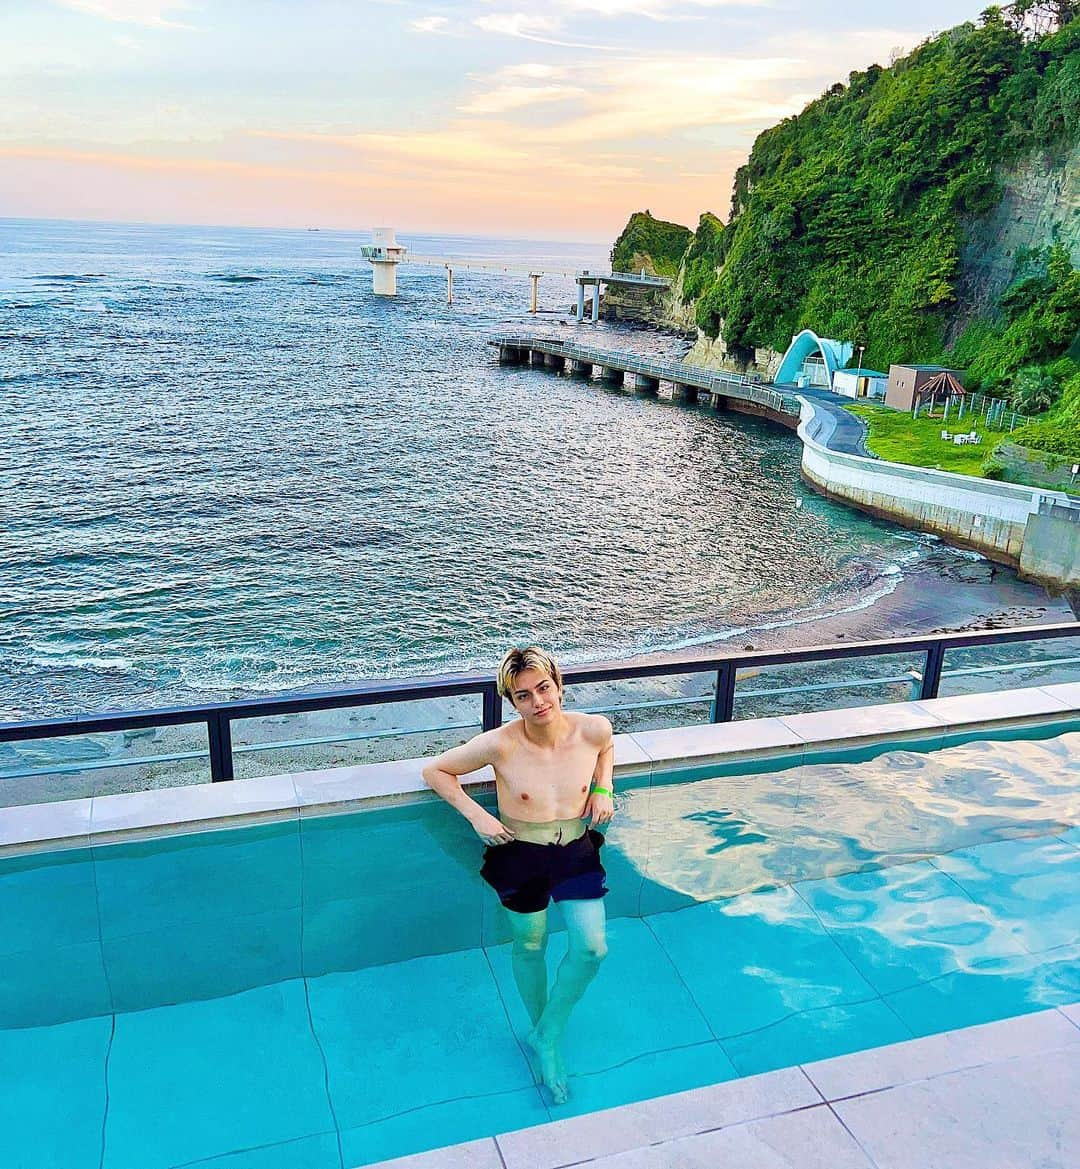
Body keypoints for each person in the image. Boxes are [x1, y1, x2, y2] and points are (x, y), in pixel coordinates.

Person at [421, 646, 615, 1104]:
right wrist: (476, 816)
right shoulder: (501, 743)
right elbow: (437, 770)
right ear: (513, 702)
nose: (538, 702)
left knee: (591, 949)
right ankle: (543, 1039)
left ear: (559, 685)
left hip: (575, 852)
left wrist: (604, 785)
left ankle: (548, 1032)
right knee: (531, 946)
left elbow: (607, 748)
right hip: (519, 855)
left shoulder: (593, 729)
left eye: (543, 688)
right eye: (523, 696)